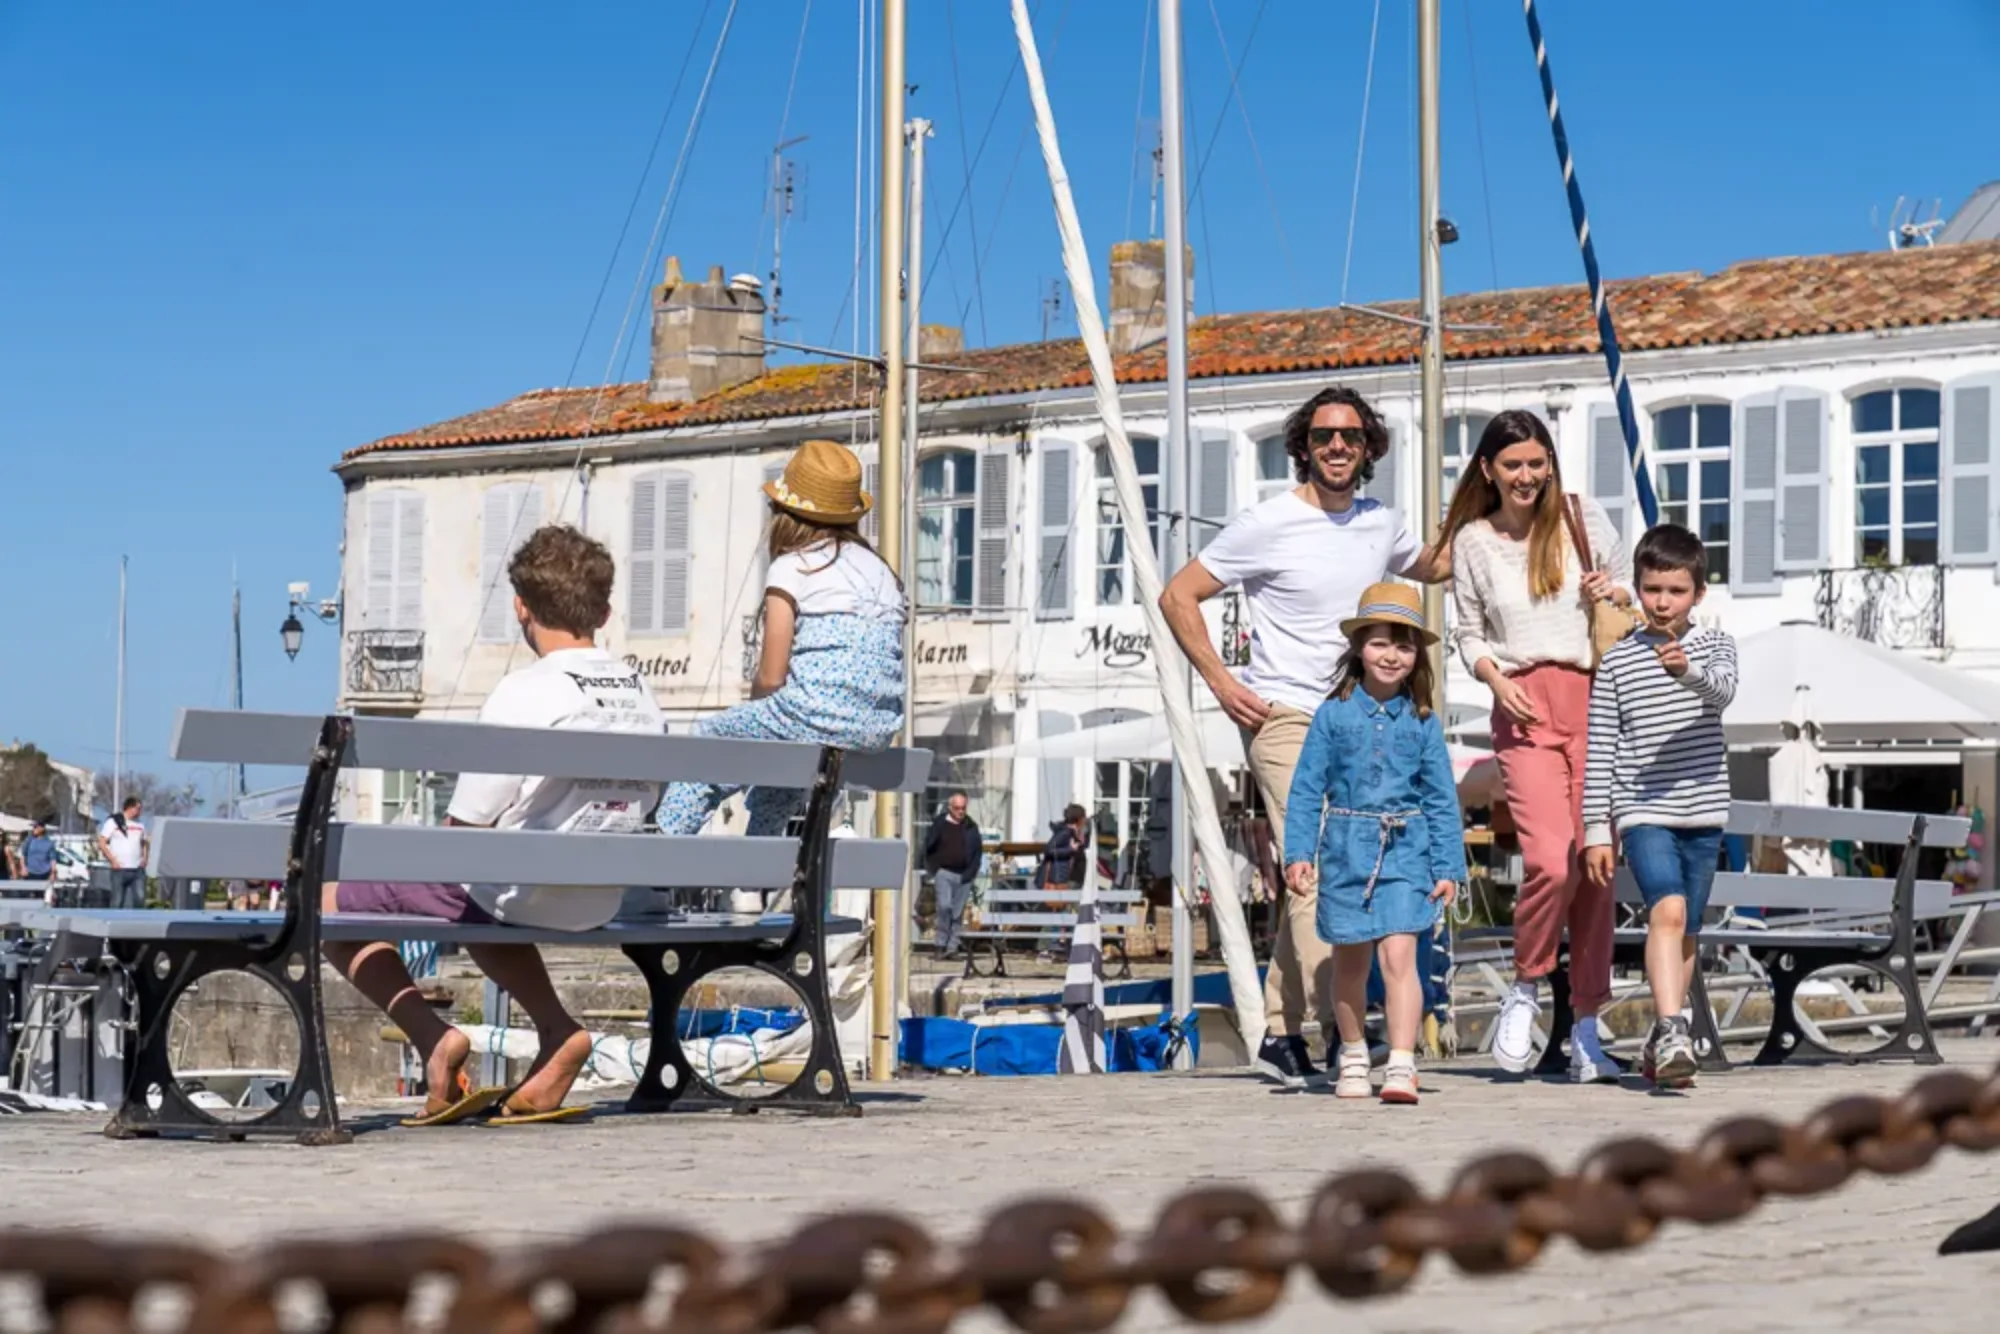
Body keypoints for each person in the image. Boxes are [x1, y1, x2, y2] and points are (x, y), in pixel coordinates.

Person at [324, 524, 666, 1126]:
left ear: (520, 607)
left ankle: (433, 1038)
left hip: (520, 890)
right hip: (599, 896)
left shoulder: (523, 691)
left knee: (330, 905)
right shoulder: (643, 693)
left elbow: (467, 830)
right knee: (482, 890)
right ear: (605, 611)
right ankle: (556, 1031)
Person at [1159, 384, 1448, 1088]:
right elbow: (1178, 594)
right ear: (1304, 447)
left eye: (1350, 435)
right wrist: (1224, 683)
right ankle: (1330, 1034)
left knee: (1320, 866)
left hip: (1361, 716)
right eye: (1323, 436)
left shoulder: (1382, 523)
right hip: (1287, 715)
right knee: (1317, 863)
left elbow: (1440, 565)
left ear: (1370, 446)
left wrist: (1516, 510)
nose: (1338, 446)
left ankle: (1285, 1031)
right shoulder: (1268, 522)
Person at [1446, 409, 1633, 1083]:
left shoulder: (1582, 517)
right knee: (1551, 861)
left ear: (1549, 463)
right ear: (1488, 470)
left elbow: (1629, 601)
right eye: (1512, 464)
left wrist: (1607, 589)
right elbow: (1468, 632)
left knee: (1596, 867)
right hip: (1521, 705)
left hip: (1593, 697)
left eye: (1536, 462)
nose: (1526, 475)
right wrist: (1495, 678)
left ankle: (1586, 1028)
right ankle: (1526, 986)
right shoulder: (1472, 541)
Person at [656, 439, 906, 838]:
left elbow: (771, 678)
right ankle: (760, 857)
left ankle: (663, 847)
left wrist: (757, 713)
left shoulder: (794, 566)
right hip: (876, 727)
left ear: (786, 513)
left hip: (813, 713)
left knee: (710, 737)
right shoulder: (883, 573)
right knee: (782, 749)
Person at [1282, 584, 1465, 1104]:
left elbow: (1440, 798)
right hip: (1344, 848)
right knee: (1350, 964)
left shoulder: (1424, 721)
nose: (1392, 655)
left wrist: (1448, 864)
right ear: (1360, 645)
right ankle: (1355, 1053)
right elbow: (1305, 789)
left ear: (1416, 658)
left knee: (1401, 956)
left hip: (1409, 849)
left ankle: (1403, 1063)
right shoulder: (1331, 716)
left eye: (1404, 646)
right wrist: (1297, 854)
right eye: (1381, 642)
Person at [1582, 524, 1737, 1089]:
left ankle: (1660, 1040)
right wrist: (1597, 828)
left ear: (1697, 594)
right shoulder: (1619, 662)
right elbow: (1601, 747)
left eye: (1675, 591)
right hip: (1643, 809)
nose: (1662, 601)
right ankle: (1676, 1028)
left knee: (1687, 927)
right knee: (1666, 913)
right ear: (1639, 589)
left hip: (1703, 812)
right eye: (1652, 590)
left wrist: (1686, 673)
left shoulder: (1716, 645)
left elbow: (1723, 692)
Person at [925, 792, 983, 958]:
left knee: (957, 913)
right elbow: (929, 845)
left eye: (963, 808)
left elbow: (977, 852)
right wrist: (934, 868)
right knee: (944, 907)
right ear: (950, 808)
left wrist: (971, 873)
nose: (960, 811)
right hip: (944, 872)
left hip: (964, 875)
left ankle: (952, 947)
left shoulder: (971, 827)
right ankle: (940, 944)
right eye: (957, 808)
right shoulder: (940, 823)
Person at [97, 797, 148, 910]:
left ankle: (138, 922)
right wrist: (112, 860)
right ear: (130, 807)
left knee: (140, 898)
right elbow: (102, 842)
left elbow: (144, 843)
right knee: (117, 900)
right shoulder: (113, 822)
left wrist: (144, 858)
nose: (139, 812)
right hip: (120, 868)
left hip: (137, 869)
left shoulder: (140, 825)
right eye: (137, 808)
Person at [1036, 804, 1091, 889]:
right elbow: (1049, 850)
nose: (1085, 819)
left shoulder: (1075, 832)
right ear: (1079, 818)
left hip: (1072, 877)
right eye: (1084, 816)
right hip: (1061, 879)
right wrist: (1070, 850)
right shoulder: (1065, 833)